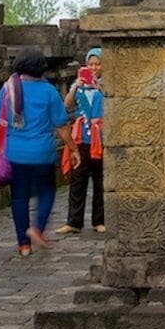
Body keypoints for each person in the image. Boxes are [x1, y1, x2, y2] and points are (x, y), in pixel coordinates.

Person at [0, 53, 67, 254]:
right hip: (43, 152)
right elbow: (61, 125)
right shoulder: (50, 91)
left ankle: (23, 244)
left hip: (15, 152)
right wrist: (73, 148)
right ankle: (38, 228)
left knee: (19, 197)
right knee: (47, 191)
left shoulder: (8, 90)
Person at [64, 51, 107, 233]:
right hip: (81, 138)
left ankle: (99, 220)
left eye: (97, 64)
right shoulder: (79, 86)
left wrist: (100, 89)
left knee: (100, 181)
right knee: (78, 179)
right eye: (90, 64)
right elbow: (66, 105)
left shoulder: (105, 85)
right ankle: (74, 221)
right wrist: (75, 87)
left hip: (99, 137)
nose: (93, 68)